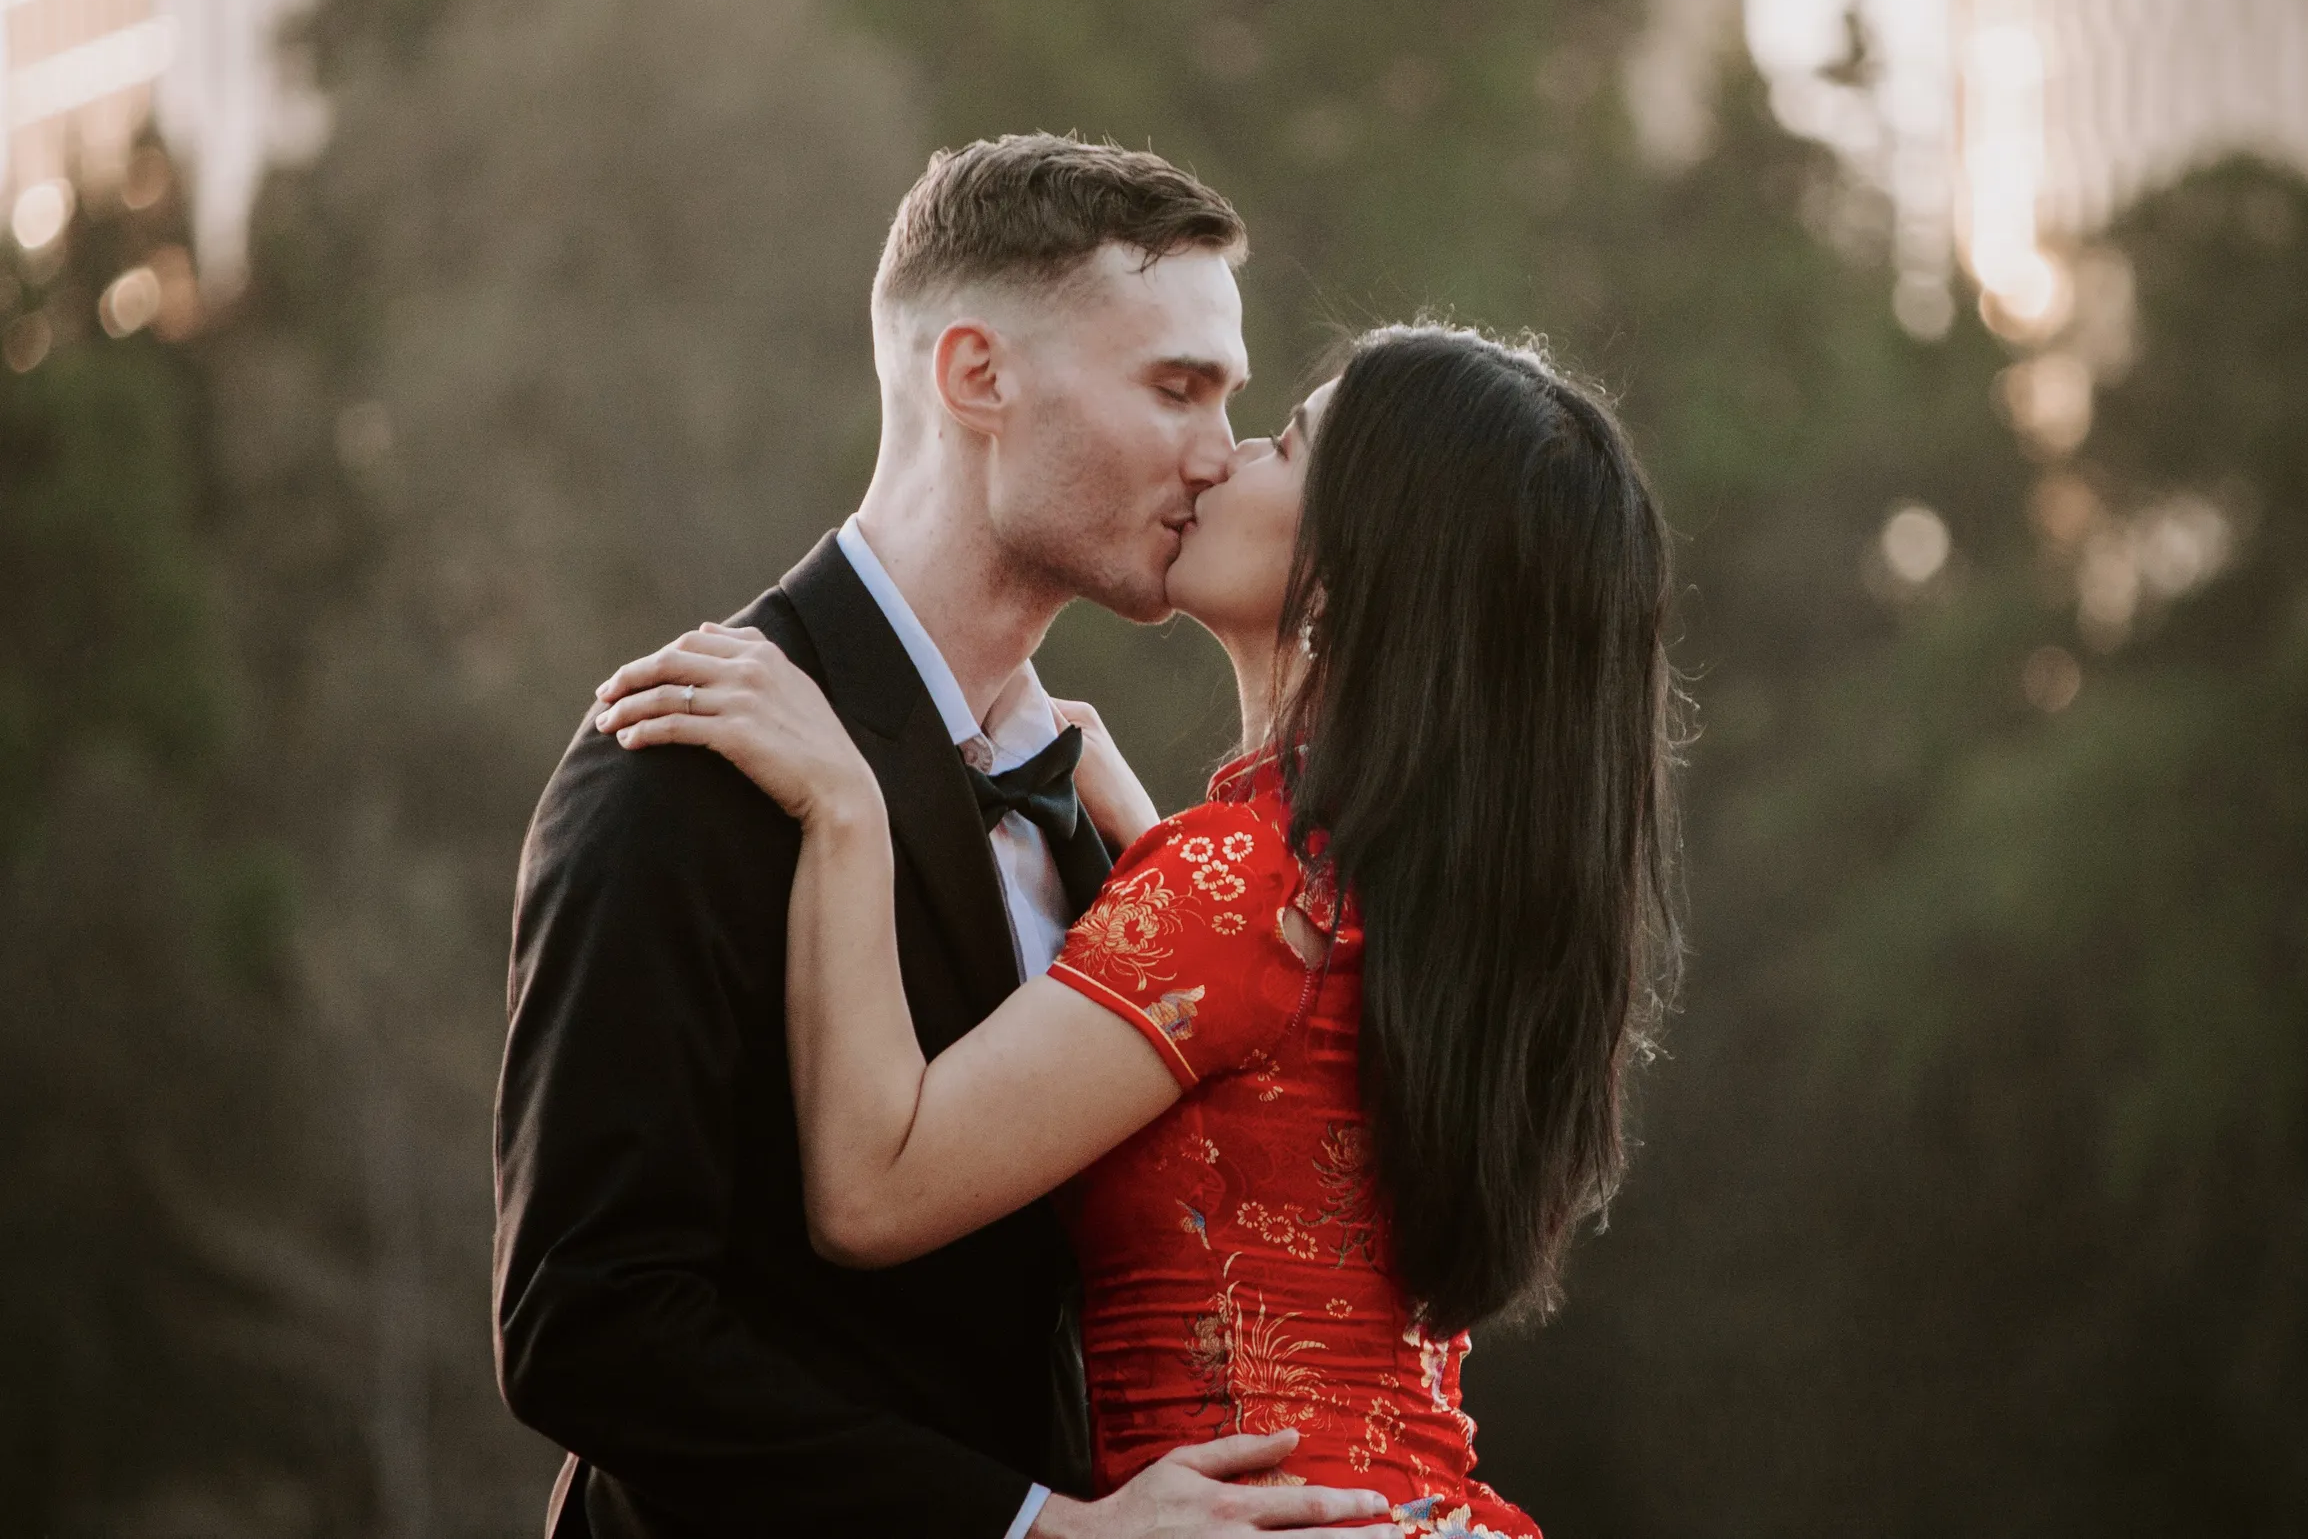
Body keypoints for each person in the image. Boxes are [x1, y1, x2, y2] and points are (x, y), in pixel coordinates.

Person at [592, 324, 1683, 1539]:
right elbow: (1273, 1119)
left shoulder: (1238, 883)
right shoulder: (1408, 889)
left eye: (1284, 442)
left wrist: (846, 808)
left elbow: (873, 1187)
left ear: (1358, 567)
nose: (1222, 461)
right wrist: (1150, 837)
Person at [495, 135, 1401, 1539]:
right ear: (978, 376)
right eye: (1175, 389)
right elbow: (588, 1324)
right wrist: (1030, 1525)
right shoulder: (683, 764)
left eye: (1231, 400)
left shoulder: (1107, 822)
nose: (1219, 453)